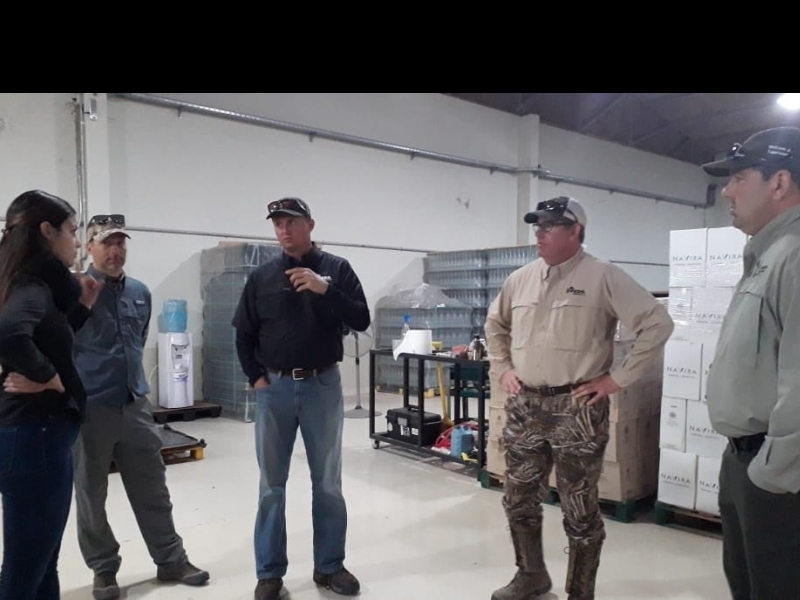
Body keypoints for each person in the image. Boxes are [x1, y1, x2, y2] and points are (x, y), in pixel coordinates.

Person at [484, 196, 673, 600]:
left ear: (576, 232)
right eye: (537, 226)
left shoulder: (603, 276)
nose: (539, 233)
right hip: (526, 406)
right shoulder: (520, 279)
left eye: (549, 225)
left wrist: (617, 379)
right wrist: (504, 367)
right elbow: (495, 324)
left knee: (579, 508)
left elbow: (657, 323)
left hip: (577, 409)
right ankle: (530, 574)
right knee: (518, 497)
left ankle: (580, 592)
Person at [232, 197, 370, 600]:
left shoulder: (337, 269)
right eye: (278, 224)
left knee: (327, 482)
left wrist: (326, 290)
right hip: (273, 389)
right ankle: (269, 573)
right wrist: (256, 377)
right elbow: (244, 333)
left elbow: (361, 318)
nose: (284, 230)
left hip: (321, 386)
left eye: (291, 222)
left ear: (310, 224)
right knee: (271, 485)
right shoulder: (261, 277)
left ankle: (329, 566)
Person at [71, 214, 209, 600]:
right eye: (106, 243)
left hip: (135, 406)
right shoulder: (74, 291)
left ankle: (171, 560)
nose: (115, 251)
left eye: (120, 243)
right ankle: (104, 569)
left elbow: (139, 336)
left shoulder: (140, 292)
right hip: (91, 408)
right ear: (90, 247)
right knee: (91, 494)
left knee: (153, 488)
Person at [701, 126, 800, 600]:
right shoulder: (767, 255)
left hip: (777, 475)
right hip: (746, 461)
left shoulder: (794, 257)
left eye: (739, 177)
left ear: (779, 182)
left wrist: (771, 472)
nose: (727, 191)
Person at [0, 190, 103, 599]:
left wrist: (81, 309)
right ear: (47, 231)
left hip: (33, 434)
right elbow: (9, 334)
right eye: (72, 231)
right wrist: (50, 378)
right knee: (27, 566)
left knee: (41, 558)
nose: (77, 242)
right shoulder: (33, 284)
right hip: (35, 435)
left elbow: (48, 338)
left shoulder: (24, 280)